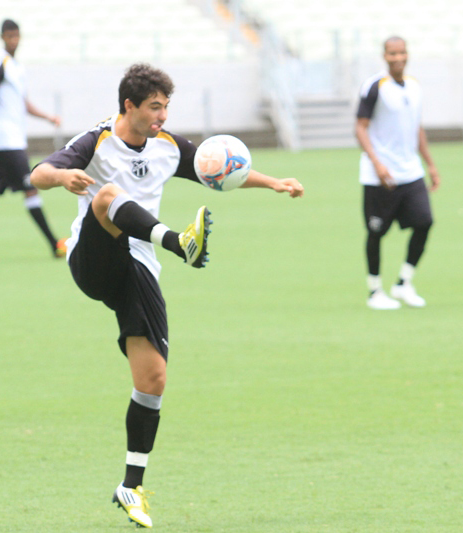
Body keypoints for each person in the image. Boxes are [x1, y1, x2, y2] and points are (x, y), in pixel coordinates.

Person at [30, 63, 304, 528]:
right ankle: (180, 242)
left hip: (138, 266)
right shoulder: (96, 142)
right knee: (105, 196)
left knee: (153, 378)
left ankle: (130, 486)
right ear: (129, 106)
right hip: (94, 257)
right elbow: (39, 172)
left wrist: (274, 182)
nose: (161, 115)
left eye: (165, 107)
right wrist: (63, 179)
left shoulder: (167, 146)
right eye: (154, 107)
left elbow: (219, 169)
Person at [0, 18, 65, 263]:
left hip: (11, 141)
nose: (13, 40)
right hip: (5, 142)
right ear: (2, 37)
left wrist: (47, 116)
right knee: (31, 189)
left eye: (16, 36)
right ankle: (55, 245)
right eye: (9, 36)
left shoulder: (16, 66)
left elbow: (23, 103)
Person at [355, 36, 441, 310]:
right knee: (376, 232)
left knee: (425, 222)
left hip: (410, 171)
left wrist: (430, 164)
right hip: (380, 175)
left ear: (408, 54)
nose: (397, 58)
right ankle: (374, 291)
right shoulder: (374, 87)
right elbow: (360, 127)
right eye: (392, 53)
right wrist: (377, 163)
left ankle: (404, 283)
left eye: (401, 52)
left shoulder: (414, 87)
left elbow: (416, 128)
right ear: (384, 56)